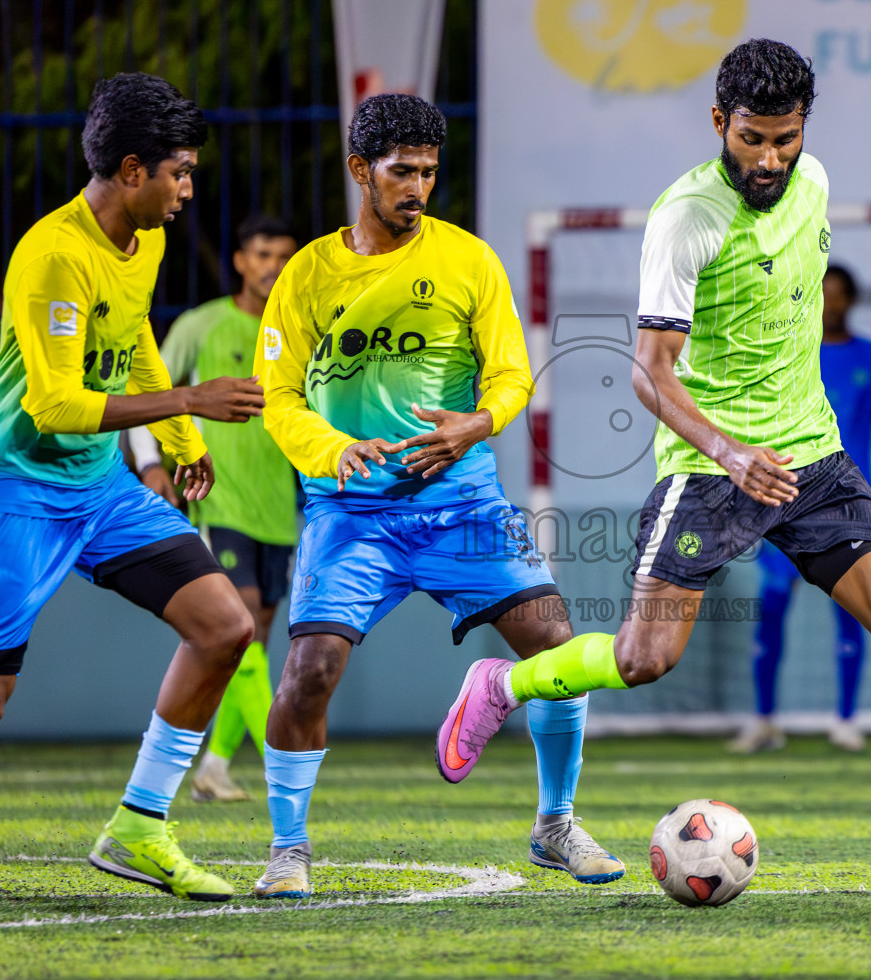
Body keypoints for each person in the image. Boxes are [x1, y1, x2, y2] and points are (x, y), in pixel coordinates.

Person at [436, 39, 871, 902]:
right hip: (711, 468)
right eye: (751, 139)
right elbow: (647, 372)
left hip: (812, 455)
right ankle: (504, 682)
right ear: (717, 124)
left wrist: (790, 438)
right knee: (644, 656)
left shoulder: (814, 183)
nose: (769, 159)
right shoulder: (685, 219)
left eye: (785, 138)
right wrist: (731, 452)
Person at [0, 73, 266, 922]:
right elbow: (55, 407)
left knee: (224, 625)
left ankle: (140, 826)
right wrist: (188, 403)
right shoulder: (50, 256)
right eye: (179, 173)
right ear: (133, 167)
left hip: (98, 485)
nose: (188, 190)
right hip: (11, 487)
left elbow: (134, 337)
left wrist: (181, 445)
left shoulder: (141, 242)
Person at [248, 93, 623, 899]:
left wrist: (476, 425)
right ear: (361, 172)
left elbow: (513, 374)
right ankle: (287, 850)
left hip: (462, 505)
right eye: (400, 172)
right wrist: (334, 448)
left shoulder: (468, 261)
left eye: (428, 171)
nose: (417, 187)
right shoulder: (308, 276)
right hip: (352, 513)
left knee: (559, 651)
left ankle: (555, 825)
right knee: (308, 672)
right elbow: (277, 396)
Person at [129, 215, 300, 803]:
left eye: (282, 255)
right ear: (239, 260)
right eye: (262, 254)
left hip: (281, 507)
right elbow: (151, 391)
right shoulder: (201, 325)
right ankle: (287, 764)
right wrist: (153, 465)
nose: (272, 266)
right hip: (218, 500)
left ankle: (216, 766)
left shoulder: (295, 329)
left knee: (251, 644)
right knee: (244, 633)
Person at [730, 262, 871, 754]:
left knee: (859, 607)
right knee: (772, 603)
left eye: (838, 295)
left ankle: (846, 719)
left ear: (850, 301)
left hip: (849, 502)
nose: (829, 302)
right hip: (784, 498)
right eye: (822, 293)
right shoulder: (785, 354)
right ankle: (764, 718)